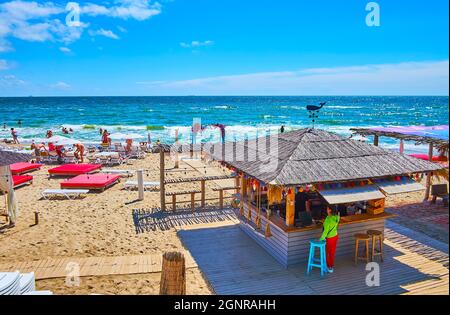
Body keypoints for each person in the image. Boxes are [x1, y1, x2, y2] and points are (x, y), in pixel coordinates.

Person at [320, 206, 340, 273]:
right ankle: (331, 266)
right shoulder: (337, 217)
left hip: (329, 238)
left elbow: (325, 232)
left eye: (327, 208)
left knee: (327, 253)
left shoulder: (328, 219)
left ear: (330, 210)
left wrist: (321, 239)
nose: (326, 209)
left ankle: (328, 266)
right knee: (332, 252)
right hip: (335, 236)